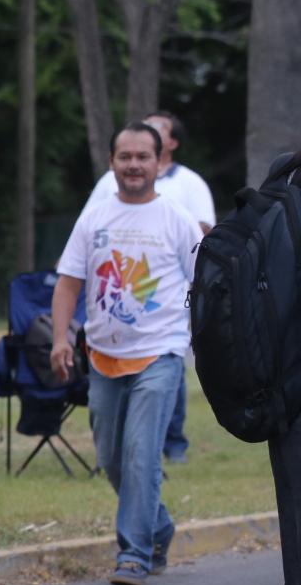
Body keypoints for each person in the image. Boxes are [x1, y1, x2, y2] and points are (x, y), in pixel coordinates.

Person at [50, 123, 203, 585]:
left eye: (142, 156)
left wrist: (201, 341)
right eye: (125, 157)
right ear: (112, 162)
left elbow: (205, 285)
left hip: (161, 353)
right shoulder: (94, 218)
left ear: (159, 163)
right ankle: (158, 526)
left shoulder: (177, 219)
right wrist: (61, 338)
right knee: (112, 458)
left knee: (141, 455)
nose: (134, 164)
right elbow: (69, 283)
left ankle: (133, 553)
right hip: (103, 356)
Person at [82, 110, 215, 463]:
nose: (135, 160)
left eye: (158, 130)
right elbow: (88, 230)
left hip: (161, 302)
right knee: (117, 435)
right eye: (127, 155)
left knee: (164, 372)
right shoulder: (109, 183)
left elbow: (203, 233)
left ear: (169, 144)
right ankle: (127, 449)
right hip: (114, 303)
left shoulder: (189, 184)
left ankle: (173, 442)